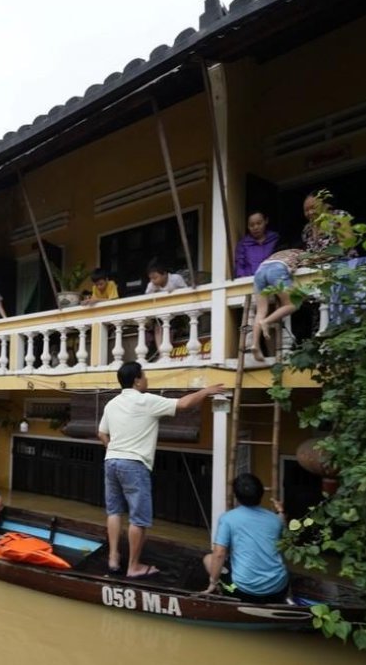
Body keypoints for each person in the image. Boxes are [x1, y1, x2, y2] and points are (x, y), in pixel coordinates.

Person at [98, 362, 224, 578]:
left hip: (111, 461)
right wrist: (206, 391)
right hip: (134, 464)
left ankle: (113, 557)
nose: (146, 379)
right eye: (144, 375)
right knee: (138, 518)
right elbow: (183, 404)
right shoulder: (146, 400)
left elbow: (101, 433)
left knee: (114, 511)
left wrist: (116, 449)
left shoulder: (112, 403)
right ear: (137, 380)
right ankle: (133, 567)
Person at [203, 473, 289, 603]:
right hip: (279, 589)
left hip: (245, 592)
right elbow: (285, 536)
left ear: (236, 496)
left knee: (209, 559)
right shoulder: (275, 519)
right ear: (261, 494)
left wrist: (213, 582)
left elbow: (219, 554)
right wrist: (281, 511)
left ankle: (223, 591)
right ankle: (288, 597)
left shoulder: (228, 518)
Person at [250, 247, 305, 362]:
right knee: (292, 304)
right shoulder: (301, 253)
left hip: (260, 271)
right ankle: (266, 322)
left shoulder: (278, 253)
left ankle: (255, 345)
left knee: (261, 311)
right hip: (277, 269)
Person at [302, 193, 356, 262]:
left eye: (313, 207)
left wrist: (325, 255)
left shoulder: (338, 216)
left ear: (325, 205)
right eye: (306, 210)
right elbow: (309, 252)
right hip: (320, 267)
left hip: (345, 262)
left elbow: (349, 241)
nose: (310, 212)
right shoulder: (307, 229)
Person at [234, 212, 279, 278]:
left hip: (272, 280)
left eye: (259, 223)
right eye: (251, 225)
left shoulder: (275, 239)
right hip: (249, 281)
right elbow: (240, 266)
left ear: (266, 221)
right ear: (248, 227)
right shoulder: (243, 244)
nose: (256, 227)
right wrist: (242, 278)